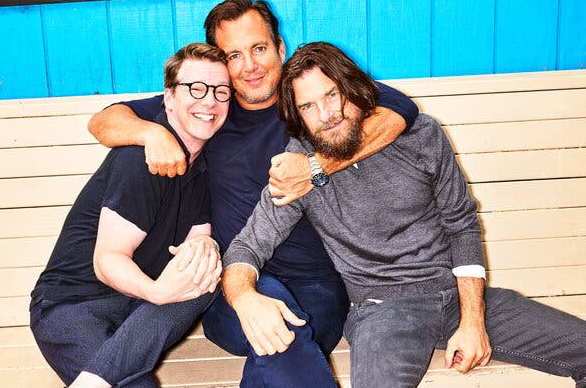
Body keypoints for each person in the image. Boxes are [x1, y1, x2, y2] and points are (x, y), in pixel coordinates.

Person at [87, 0, 419, 388]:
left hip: (317, 287)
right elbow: (103, 121)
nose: (249, 66)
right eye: (233, 56)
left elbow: (399, 109)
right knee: (279, 330)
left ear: (280, 47)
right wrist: (150, 131)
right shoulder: (210, 110)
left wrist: (316, 166)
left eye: (259, 48)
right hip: (233, 281)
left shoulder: (311, 100)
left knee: (283, 338)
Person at [222, 41, 586, 388]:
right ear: (298, 116)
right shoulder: (297, 172)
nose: (326, 114)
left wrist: (473, 320)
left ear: (353, 88)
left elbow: (462, 225)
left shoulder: (420, 136)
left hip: (460, 296)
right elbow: (248, 246)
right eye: (308, 107)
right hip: (384, 313)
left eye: (332, 95)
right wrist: (244, 297)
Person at [29, 43, 228, 388]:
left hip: (138, 308)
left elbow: (197, 241)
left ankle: (94, 379)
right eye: (195, 88)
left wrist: (205, 248)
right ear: (168, 97)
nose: (209, 101)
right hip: (74, 303)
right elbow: (107, 261)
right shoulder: (141, 160)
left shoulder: (202, 167)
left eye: (221, 91)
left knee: (206, 275)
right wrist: (156, 293)